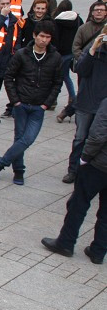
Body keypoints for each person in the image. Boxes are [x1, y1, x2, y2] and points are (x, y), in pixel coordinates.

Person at [0, 21, 62, 185]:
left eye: (47, 37)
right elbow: (9, 77)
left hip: (39, 106)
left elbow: (57, 82)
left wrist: (46, 104)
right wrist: (15, 101)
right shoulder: (22, 54)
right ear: (35, 35)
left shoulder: (55, 57)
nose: (44, 40)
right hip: (21, 104)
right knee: (19, 138)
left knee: (27, 139)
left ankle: (0, 163)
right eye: (41, 36)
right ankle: (19, 171)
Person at [42, 96, 107, 264]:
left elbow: (98, 135)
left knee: (79, 203)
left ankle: (65, 242)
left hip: (99, 165)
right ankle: (98, 251)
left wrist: (85, 157)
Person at [62, 27, 107, 184]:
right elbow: (80, 69)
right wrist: (93, 49)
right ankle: (73, 170)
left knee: (98, 139)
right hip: (86, 102)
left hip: (104, 106)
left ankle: (90, 172)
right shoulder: (94, 47)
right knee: (80, 138)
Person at [54, 0, 83, 123]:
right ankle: (70, 96)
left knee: (59, 75)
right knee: (64, 75)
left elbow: (55, 36)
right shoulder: (77, 19)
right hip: (71, 52)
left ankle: (56, 97)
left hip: (60, 52)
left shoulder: (57, 20)